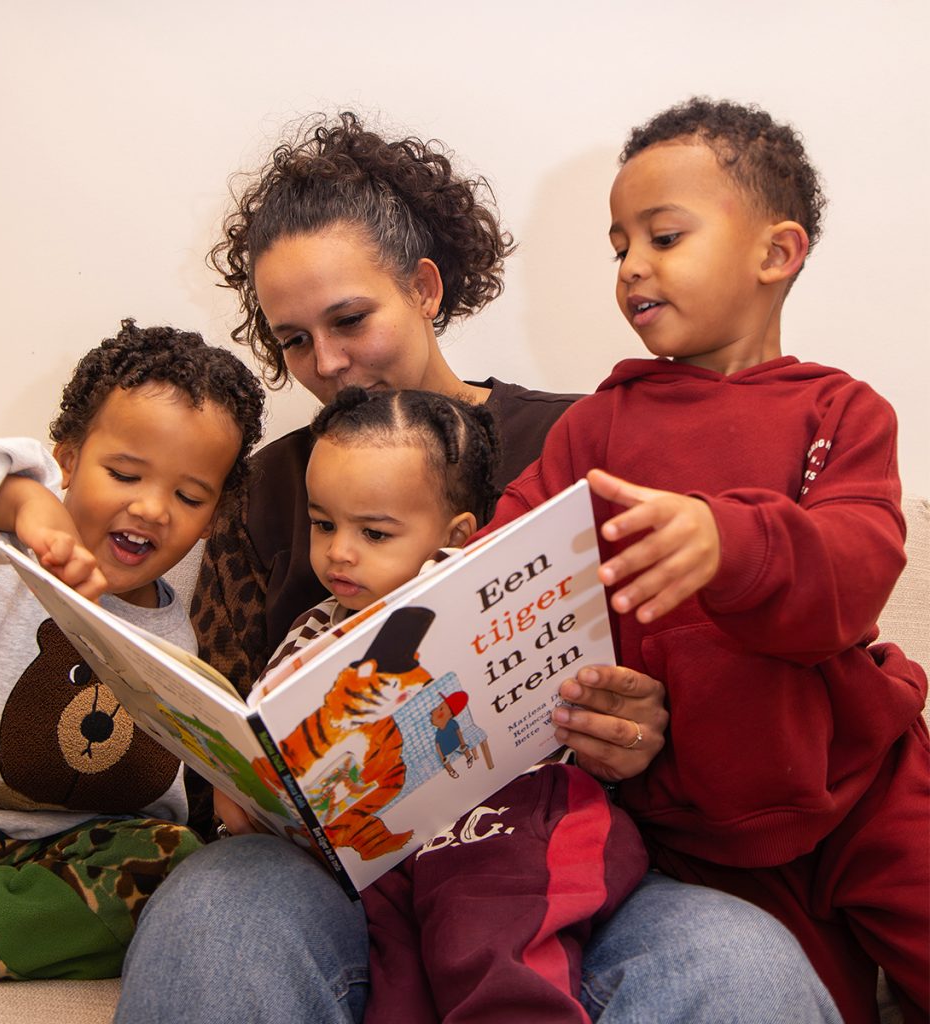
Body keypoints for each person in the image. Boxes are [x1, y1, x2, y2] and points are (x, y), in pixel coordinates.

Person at [114, 112, 843, 1024]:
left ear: (423, 288)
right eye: (293, 339)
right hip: (334, 890)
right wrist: (237, 788)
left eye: (350, 319)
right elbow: (221, 735)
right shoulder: (263, 493)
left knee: (742, 959)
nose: (327, 365)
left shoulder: (583, 441)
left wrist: (646, 732)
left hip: (553, 865)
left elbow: (703, 666)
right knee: (214, 908)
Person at [477, 97, 929, 1023]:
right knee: (795, 999)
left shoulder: (841, 411)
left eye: (664, 236)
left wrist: (731, 542)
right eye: (619, 248)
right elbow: (501, 572)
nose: (632, 266)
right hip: (695, 827)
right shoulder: (592, 430)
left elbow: (856, 567)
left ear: (777, 253)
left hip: (866, 786)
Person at [246, 385, 648, 1024]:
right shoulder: (312, 633)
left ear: (454, 536)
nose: (339, 551)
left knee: (491, 940)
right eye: (323, 524)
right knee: (397, 981)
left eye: (374, 532)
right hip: (380, 857)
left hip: (507, 834)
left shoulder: (498, 606)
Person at [0, 320, 264, 987]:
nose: (152, 508)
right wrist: (19, 499)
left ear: (213, 518)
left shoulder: (177, 646)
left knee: (171, 862)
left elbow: (153, 809)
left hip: (59, 862)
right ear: (67, 458)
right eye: (125, 474)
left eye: (189, 496)